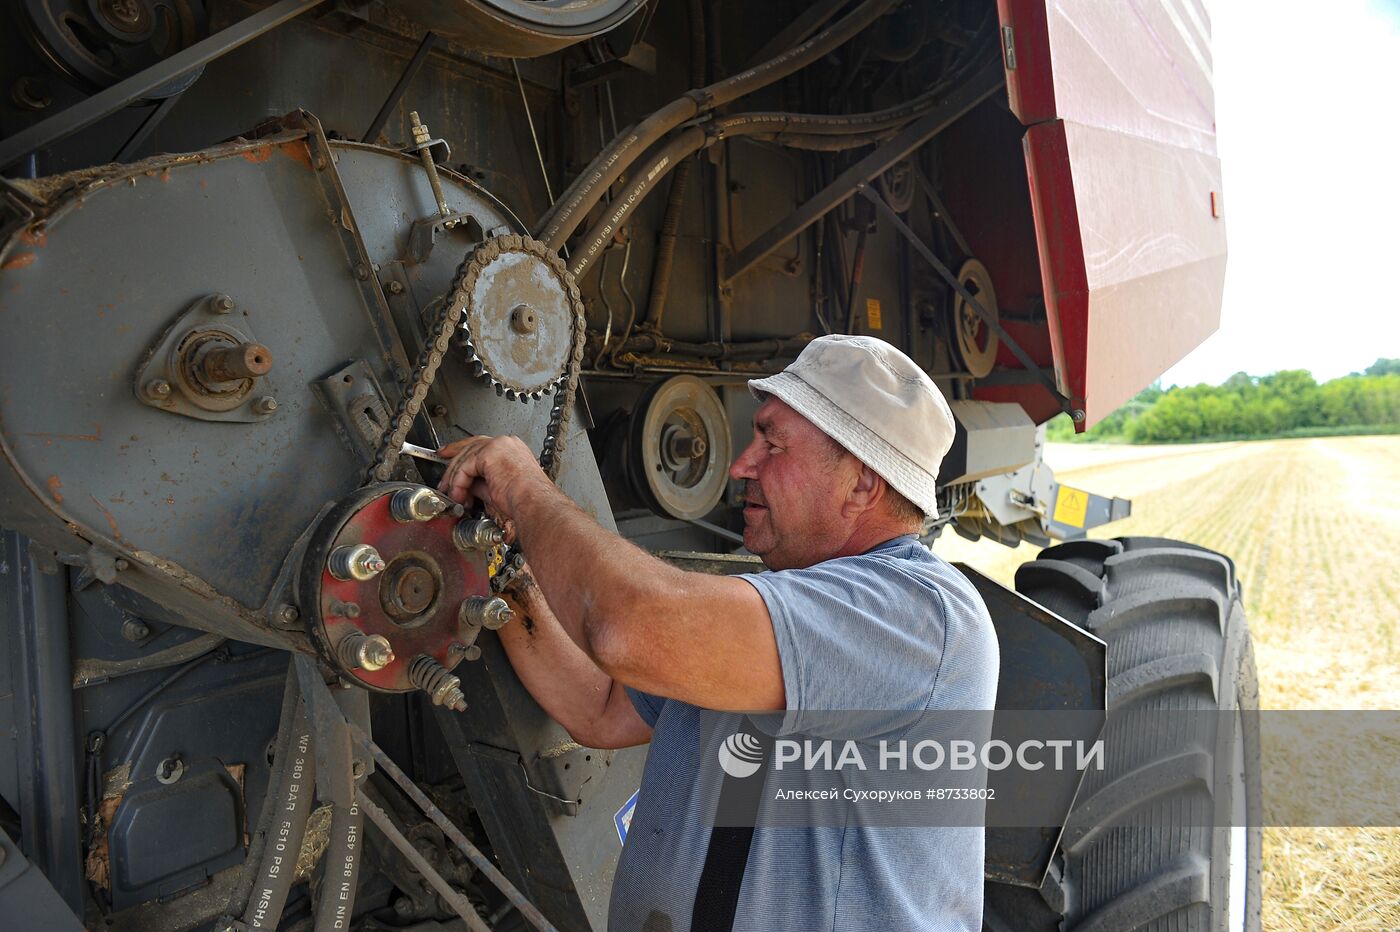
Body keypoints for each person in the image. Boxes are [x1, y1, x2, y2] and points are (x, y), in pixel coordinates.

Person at [436, 334, 999, 931]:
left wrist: (525, 490)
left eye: (772, 445)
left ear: (862, 484)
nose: (741, 465)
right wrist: (504, 566)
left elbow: (627, 629)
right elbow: (598, 707)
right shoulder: (792, 603)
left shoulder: (919, 615)